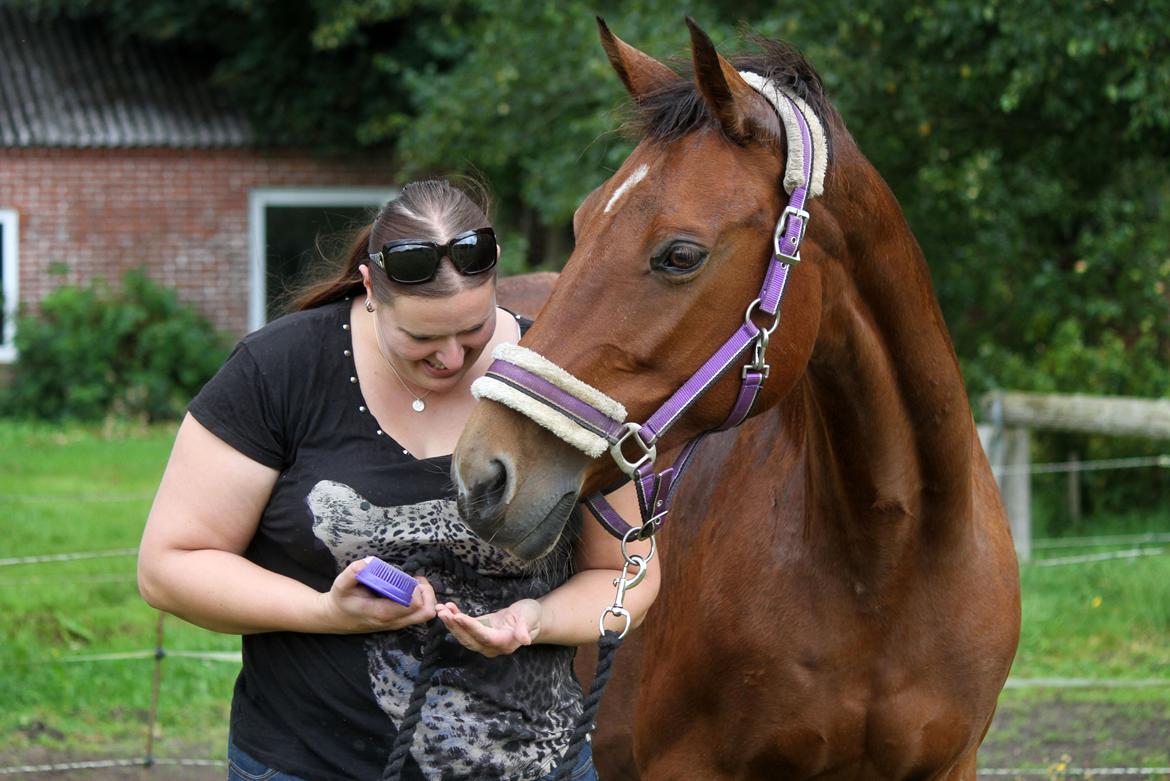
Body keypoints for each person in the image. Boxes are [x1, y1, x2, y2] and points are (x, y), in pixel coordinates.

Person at [137, 180, 658, 781]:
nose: (452, 359)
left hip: (538, 764)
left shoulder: (561, 380)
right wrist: (325, 611)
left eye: (474, 330)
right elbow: (170, 566)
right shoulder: (278, 370)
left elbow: (630, 574)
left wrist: (535, 620)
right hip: (306, 765)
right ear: (369, 288)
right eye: (421, 338)